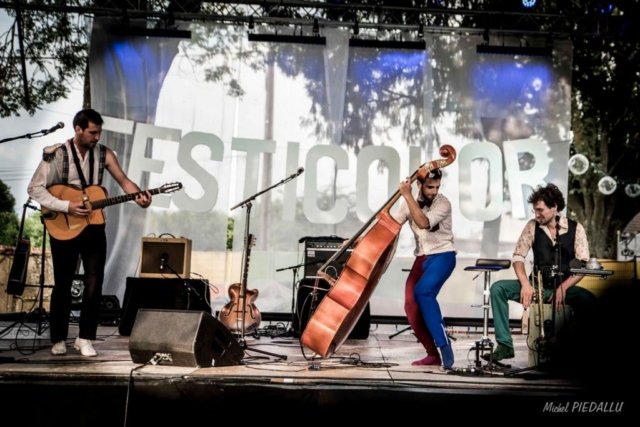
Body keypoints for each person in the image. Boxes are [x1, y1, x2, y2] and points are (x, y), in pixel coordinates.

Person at [27, 109, 152, 357]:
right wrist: (66, 206)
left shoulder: (105, 154)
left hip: (94, 226)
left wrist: (139, 196)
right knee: (63, 283)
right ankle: (59, 338)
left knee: (94, 282)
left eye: (99, 132)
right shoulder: (57, 155)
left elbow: (124, 181)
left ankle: (85, 338)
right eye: (92, 132)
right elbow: (35, 189)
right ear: (78, 129)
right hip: (62, 225)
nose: (97, 137)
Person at [485, 183, 596, 361]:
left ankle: (577, 349)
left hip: (564, 289)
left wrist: (563, 288)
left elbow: (582, 265)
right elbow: (518, 257)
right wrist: (525, 284)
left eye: (540, 210)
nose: (536, 215)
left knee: (590, 301)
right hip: (537, 286)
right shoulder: (532, 226)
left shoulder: (577, 229)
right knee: (498, 288)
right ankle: (505, 345)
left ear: (555, 208)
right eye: (535, 210)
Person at [392, 168, 456, 369]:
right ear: (419, 184)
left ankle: (444, 345)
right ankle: (432, 354)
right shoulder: (408, 202)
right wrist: (359, 241)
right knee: (410, 305)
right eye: (430, 187)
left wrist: (407, 195)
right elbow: (390, 227)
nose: (434, 191)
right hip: (422, 257)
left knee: (423, 292)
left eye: (437, 187)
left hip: (443, 254)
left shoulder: (443, 202)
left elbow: (423, 222)